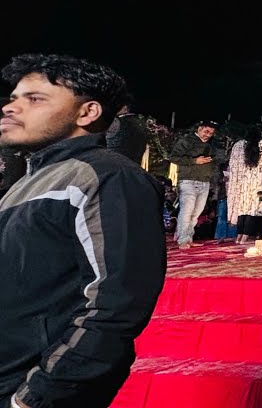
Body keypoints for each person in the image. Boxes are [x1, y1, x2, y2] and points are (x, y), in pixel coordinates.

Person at [0, 54, 165, 408]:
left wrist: (35, 397)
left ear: (87, 112)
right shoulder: (25, 182)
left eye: (35, 99)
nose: (11, 108)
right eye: (13, 97)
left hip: (30, 388)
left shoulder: (108, 176)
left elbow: (114, 307)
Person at [169, 120, 219, 249]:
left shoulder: (211, 145)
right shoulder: (187, 140)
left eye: (211, 133)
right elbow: (173, 157)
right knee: (186, 211)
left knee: (196, 213)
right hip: (188, 180)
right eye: (206, 131)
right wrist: (194, 161)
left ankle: (189, 237)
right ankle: (183, 239)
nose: (207, 135)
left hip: (204, 181)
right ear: (199, 128)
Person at [227, 124, 262, 244]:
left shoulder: (238, 145)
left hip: (241, 182)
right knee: (253, 209)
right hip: (258, 181)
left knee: (242, 209)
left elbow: (232, 165)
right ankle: (246, 236)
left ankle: (239, 236)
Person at [104, 100, 148, 165]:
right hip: (133, 166)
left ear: (125, 108)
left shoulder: (115, 121)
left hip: (112, 164)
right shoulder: (141, 124)